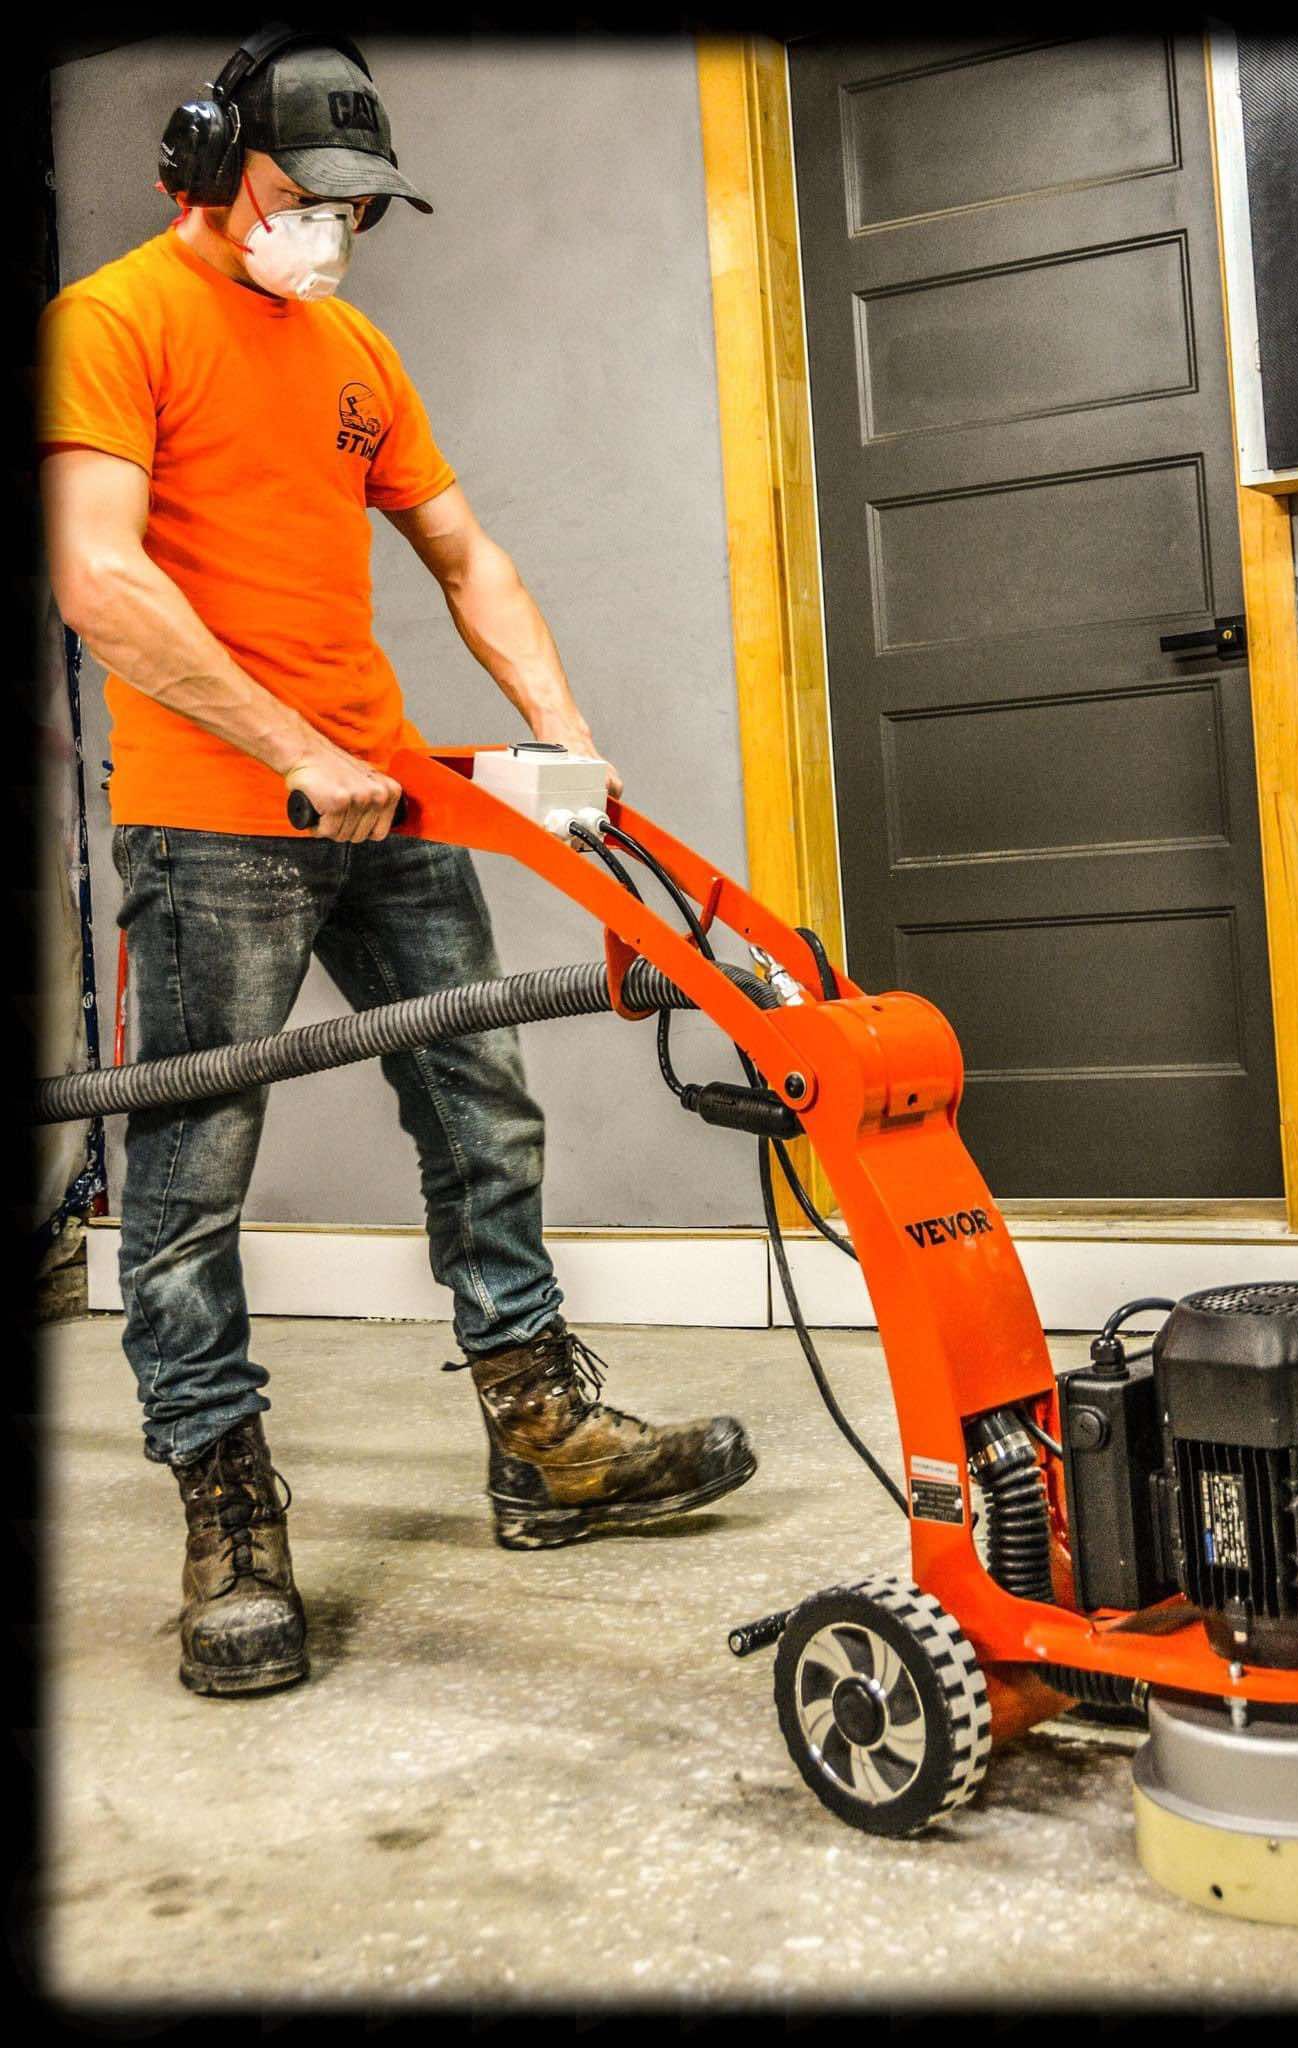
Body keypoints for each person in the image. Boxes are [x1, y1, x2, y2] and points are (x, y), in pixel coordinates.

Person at [37, 27, 756, 1699]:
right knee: (187, 1182)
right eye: (301, 197)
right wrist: (292, 751)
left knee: (482, 1114)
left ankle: (541, 1436)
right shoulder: (115, 320)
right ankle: (225, 1506)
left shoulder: (351, 347)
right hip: (222, 821)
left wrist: (563, 735)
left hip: (394, 802)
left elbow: (459, 546)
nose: (329, 231)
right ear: (207, 171)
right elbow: (97, 577)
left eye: (356, 206)